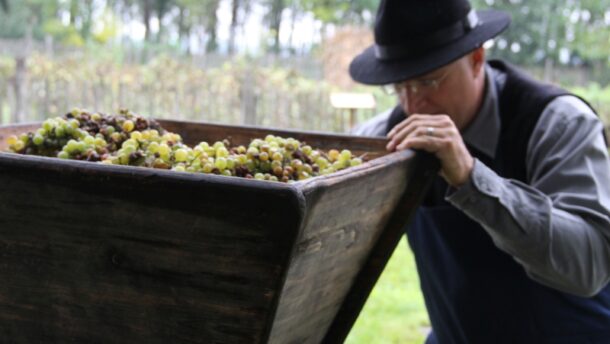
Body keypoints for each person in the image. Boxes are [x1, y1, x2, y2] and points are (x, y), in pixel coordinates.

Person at [349, 0, 610, 343]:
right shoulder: (386, 138)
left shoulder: (556, 124)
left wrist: (471, 179)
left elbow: (589, 266)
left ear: (476, 60)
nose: (413, 106)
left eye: (428, 82)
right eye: (400, 86)